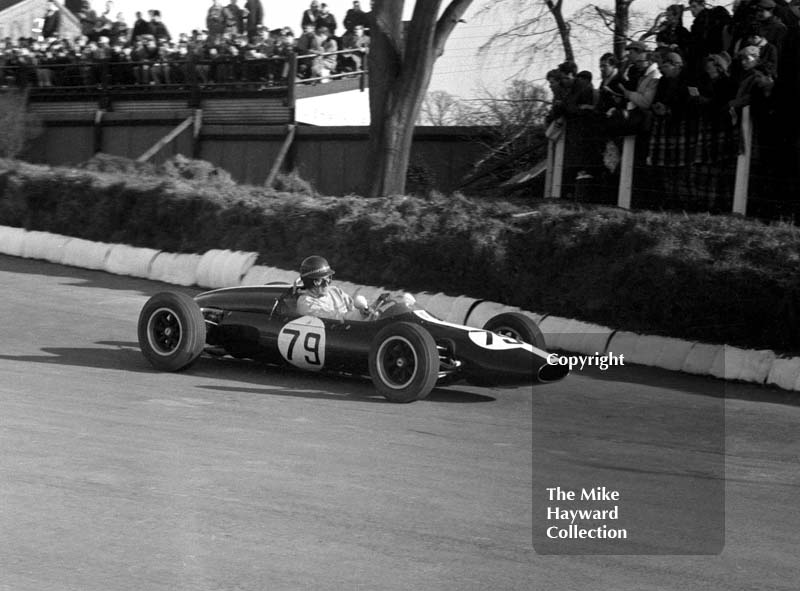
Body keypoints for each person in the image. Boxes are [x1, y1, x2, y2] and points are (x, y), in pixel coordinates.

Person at [296, 256, 369, 321]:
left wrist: (367, 311)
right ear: (316, 282)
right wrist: (360, 314)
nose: (329, 282)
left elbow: (353, 307)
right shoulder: (306, 304)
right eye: (326, 279)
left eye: (330, 278)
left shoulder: (335, 291)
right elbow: (334, 319)